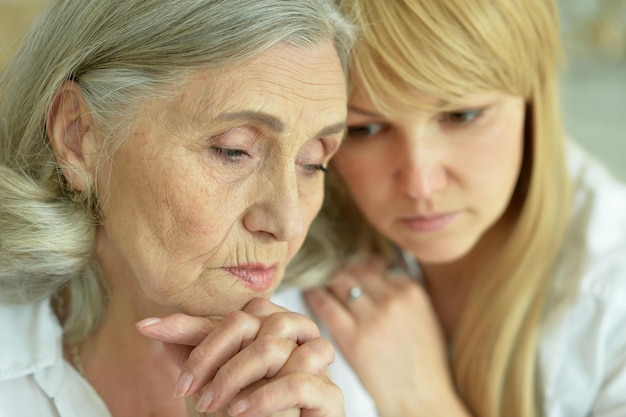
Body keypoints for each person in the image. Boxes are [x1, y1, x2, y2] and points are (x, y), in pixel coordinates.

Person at [0, 0, 355, 416]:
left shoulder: (352, 357)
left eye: (312, 161)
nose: (289, 223)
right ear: (79, 137)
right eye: (233, 151)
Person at [272, 0, 626, 416]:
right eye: (365, 129)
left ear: (533, 98)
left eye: (460, 116)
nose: (420, 184)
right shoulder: (283, 261)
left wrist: (424, 402)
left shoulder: (609, 296)